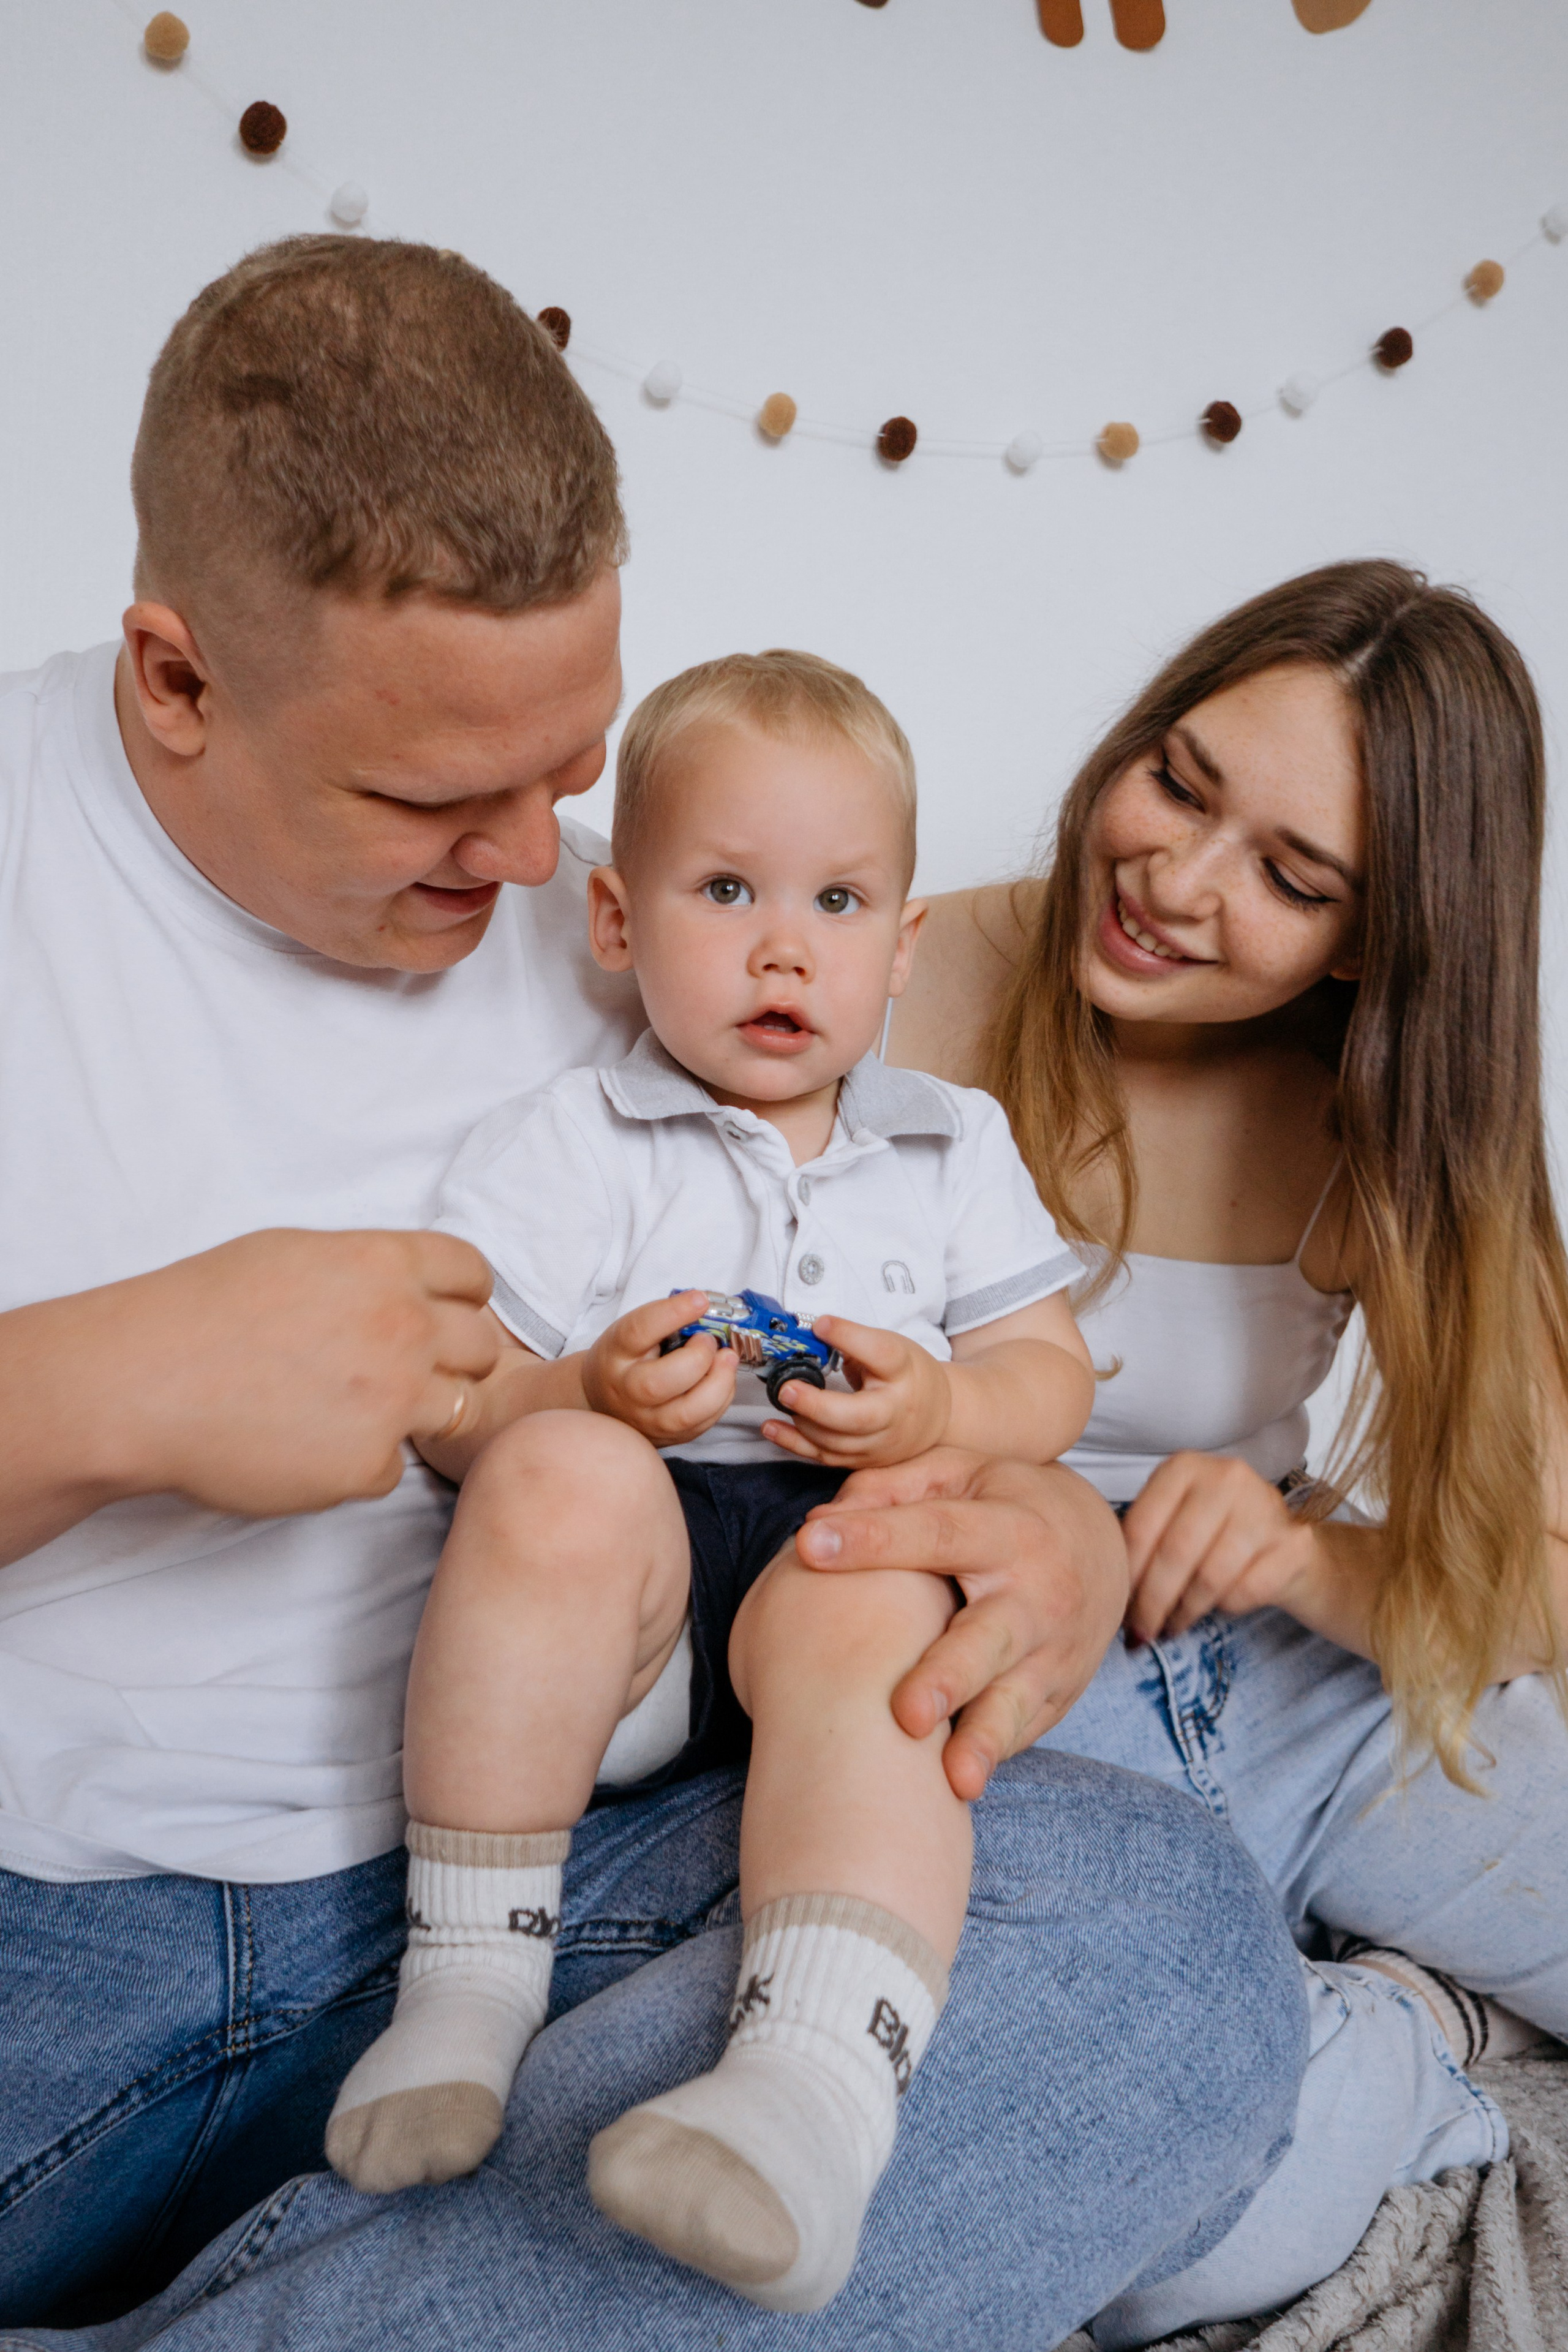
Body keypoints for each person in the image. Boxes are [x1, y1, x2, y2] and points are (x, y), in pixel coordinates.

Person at [0, 234, 1307, 2343]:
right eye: (433, 799)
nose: (535, 872)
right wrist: (80, 1395)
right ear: (177, 678)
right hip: (50, 1926)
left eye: (567, 778)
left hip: (605, 1851)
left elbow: (965, 1304)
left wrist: (1037, 1520)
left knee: (1162, 1941)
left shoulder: (678, 910)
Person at [323, 651, 1095, 2316]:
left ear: (899, 953)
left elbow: (1055, 1382)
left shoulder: (949, 1145)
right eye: (726, 888)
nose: (780, 947)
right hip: (634, 1644)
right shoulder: (574, 1137)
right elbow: (447, 1395)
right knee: (555, 1476)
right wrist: (578, 1389)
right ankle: (463, 1989)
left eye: (835, 901)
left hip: (829, 1588)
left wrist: (947, 1402)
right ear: (617, 923)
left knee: (883, 1585)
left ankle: (810, 2097)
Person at [888, 559, 1568, 2342]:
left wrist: (1304, 1559)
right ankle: (1406, 2044)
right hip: (1013, 1720)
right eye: (1179, 782)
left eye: (1289, 875)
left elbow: (1539, 1588)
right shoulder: (882, 967)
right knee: (1144, 2236)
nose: (1175, 884)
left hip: (1299, 1698)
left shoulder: (1383, 1126)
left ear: (1371, 937)